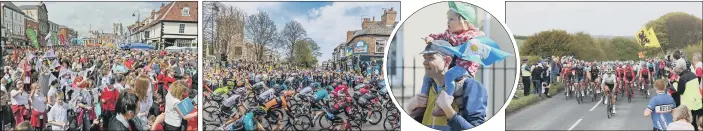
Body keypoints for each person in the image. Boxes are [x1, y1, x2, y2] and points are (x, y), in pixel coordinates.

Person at [406, 39, 488, 130]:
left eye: (430, 57)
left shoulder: (470, 86)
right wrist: (410, 108)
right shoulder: (430, 88)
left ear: (447, 61)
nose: (424, 62)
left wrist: (448, 111)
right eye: (425, 57)